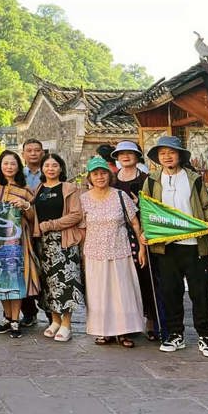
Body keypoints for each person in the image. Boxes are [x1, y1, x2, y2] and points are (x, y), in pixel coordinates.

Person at [140, 136, 208, 358]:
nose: (167, 156)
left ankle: (205, 337)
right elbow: (146, 212)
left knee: (200, 293)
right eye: (162, 153)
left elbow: (206, 206)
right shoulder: (151, 181)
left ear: (180, 155)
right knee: (170, 292)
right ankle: (176, 334)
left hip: (195, 245)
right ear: (158, 157)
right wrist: (145, 233)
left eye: (172, 152)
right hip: (166, 247)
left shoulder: (194, 179)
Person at [81, 156, 147, 348]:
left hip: (120, 250)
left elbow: (135, 223)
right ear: (90, 178)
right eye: (95, 174)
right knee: (99, 293)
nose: (100, 177)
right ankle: (103, 331)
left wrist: (142, 248)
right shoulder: (83, 199)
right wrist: (81, 255)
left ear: (110, 175)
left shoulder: (120, 195)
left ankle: (124, 332)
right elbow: (82, 228)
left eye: (103, 173)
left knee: (122, 292)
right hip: (94, 252)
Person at [0, 150, 38, 338]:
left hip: (18, 241)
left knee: (16, 278)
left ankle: (15, 320)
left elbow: (32, 217)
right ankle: (6, 316)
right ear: (0, 166)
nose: (9, 167)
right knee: (1, 278)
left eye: (13, 164)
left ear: (18, 166)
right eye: (5, 163)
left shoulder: (25, 189)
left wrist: (25, 205)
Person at [28, 153, 84, 343]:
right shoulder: (38, 189)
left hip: (64, 241)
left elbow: (76, 215)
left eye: (54, 165)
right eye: (47, 165)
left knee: (67, 282)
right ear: (42, 169)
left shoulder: (69, 188)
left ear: (61, 168)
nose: (50, 168)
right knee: (47, 283)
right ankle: (54, 320)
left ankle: (67, 324)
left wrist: (51, 225)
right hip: (42, 243)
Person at [111, 140, 161, 341]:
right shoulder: (111, 180)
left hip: (144, 233)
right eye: (121, 153)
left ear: (137, 156)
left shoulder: (148, 180)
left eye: (129, 153)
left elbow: (157, 205)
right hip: (119, 235)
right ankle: (129, 323)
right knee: (124, 281)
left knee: (147, 278)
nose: (125, 156)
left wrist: (139, 205)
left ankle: (151, 322)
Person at [19, 138, 45, 327]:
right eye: (30, 150)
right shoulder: (19, 175)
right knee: (24, 269)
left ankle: (51, 311)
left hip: (46, 225)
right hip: (24, 227)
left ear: (43, 152)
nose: (33, 153)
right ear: (23, 154)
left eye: (37, 150)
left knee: (46, 269)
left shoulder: (52, 170)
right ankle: (29, 312)